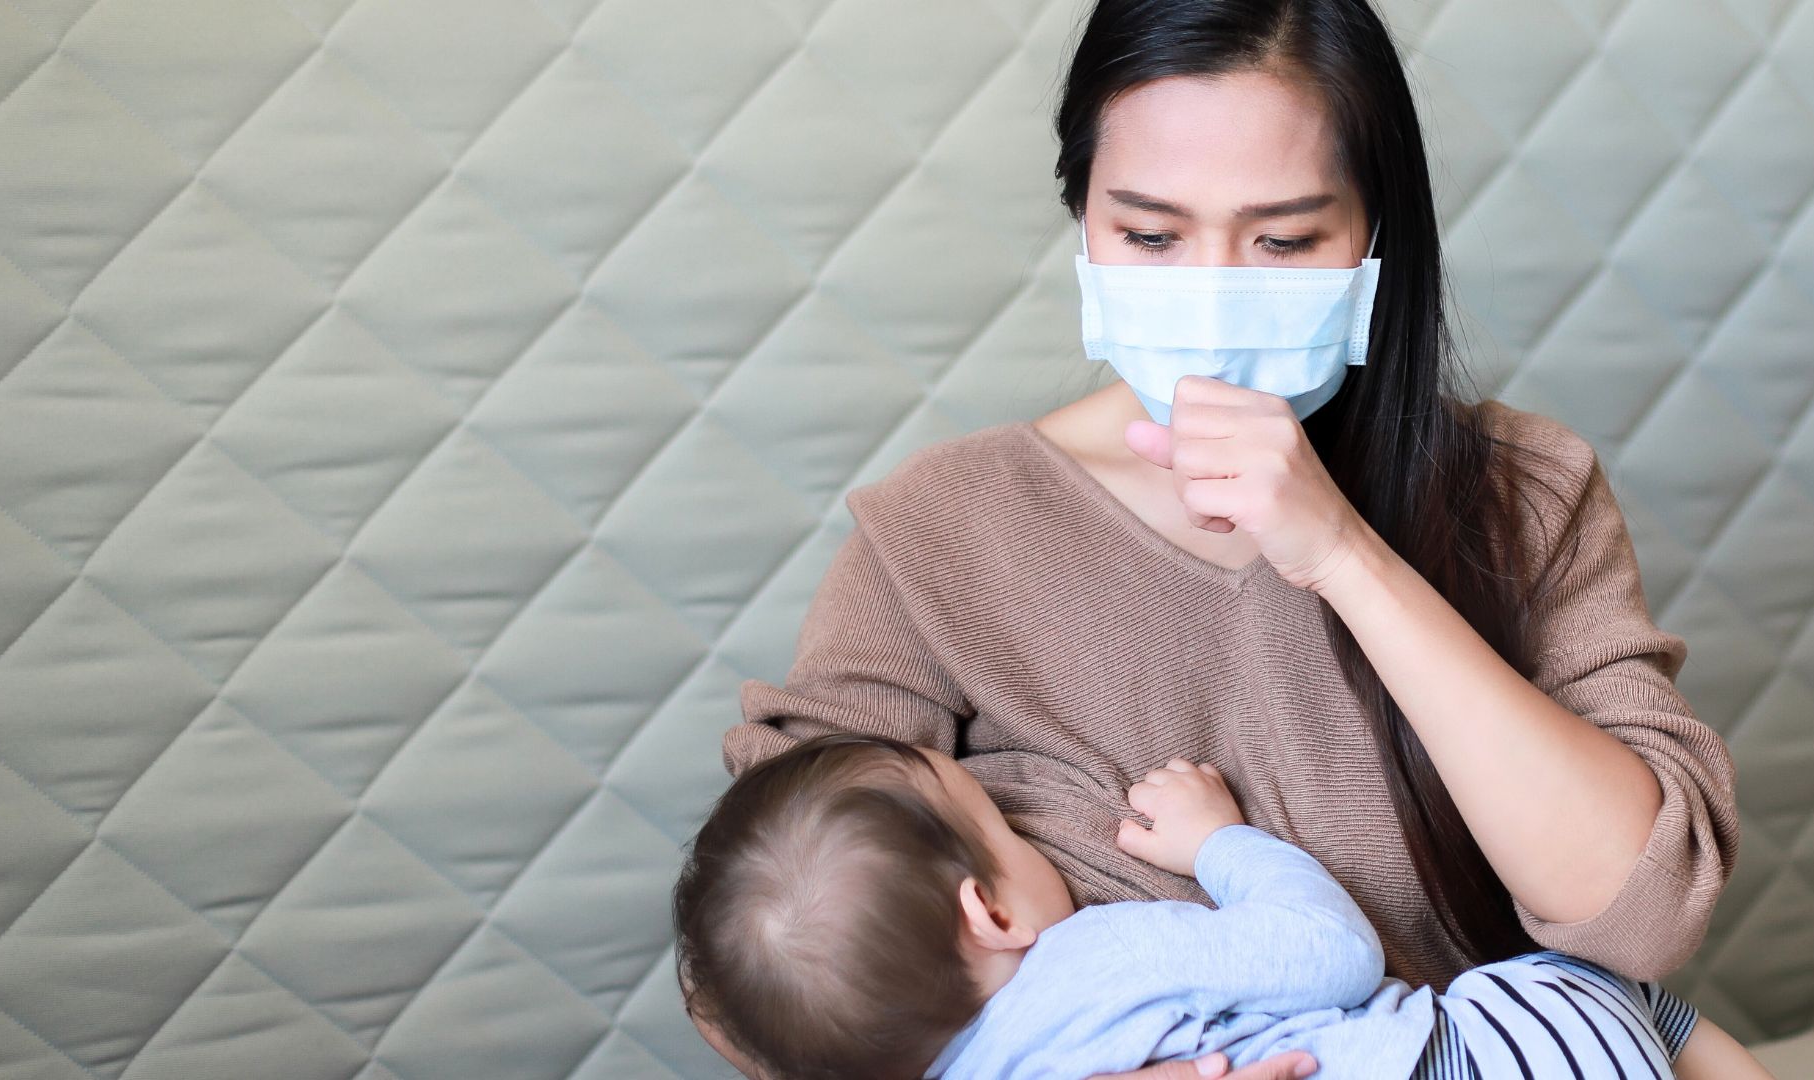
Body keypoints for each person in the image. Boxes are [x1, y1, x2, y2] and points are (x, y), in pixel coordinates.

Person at [694, 2, 1740, 1077]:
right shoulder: (939, 535)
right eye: (1149, 234)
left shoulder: (1525, 494)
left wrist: (1342, 554)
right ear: (1083, 218)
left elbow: (1638, 919)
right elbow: (757, 971)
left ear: (1377, 239)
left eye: (1283, 239)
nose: (1209, 289)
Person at [672, 731, 1773, 1079]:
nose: (1022, 822)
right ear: (991, 915)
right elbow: (1329, 954)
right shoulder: (1097, 957)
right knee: (1581, 983)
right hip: (1458, 1066)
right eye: (1001, 821)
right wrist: (1222, 845)